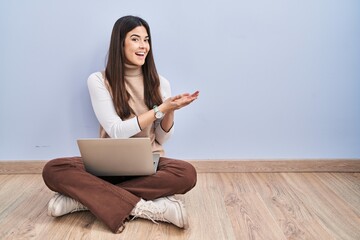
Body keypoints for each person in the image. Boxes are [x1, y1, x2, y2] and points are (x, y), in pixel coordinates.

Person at [42, 15, 199, 234]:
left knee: (187, 173)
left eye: (146, 39)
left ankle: (83, 201)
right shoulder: (98, 80)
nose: (143, 46)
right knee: (54, 169)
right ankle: (147, 207)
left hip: (149, 164)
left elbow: (162, 139)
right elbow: (116, 131)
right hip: (107, 165)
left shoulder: (161, 83)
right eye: (135, 39)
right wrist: (159, 110)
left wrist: (170, 110)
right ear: (120, 43)